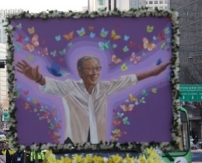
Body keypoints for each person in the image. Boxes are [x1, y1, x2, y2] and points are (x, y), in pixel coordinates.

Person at [16, 57, 170, 144]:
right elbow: (49, 83)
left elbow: (129, 79)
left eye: (98, 68)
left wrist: (153, 73)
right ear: (80, 71)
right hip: (74, 144)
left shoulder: (104, 87)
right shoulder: (70, 87)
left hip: (100, 144)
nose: (95, 72)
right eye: (90, 69)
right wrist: (38, 78)